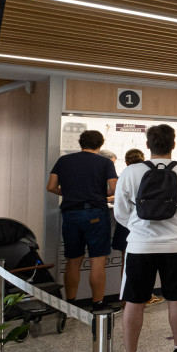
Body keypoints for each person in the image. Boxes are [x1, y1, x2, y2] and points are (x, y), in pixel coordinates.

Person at [112, 124, 177, 352]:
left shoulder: (130, 172)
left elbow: (120, 213)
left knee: (134, 300)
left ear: (148, 146)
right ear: (173, 145)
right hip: (176, 246)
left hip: (139, 246)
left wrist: (139, 228)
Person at [46, 129, 118, 310]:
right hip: (95, 213)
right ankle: (98, 303)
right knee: (97, 260)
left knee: (73, 260)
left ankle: (70, 303)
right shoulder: (105, 162)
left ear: (80, 143)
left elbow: (51, 186)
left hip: (70, 214)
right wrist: (100, 194)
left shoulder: (64, 161)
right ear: (101, 145)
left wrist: (67, 192)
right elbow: (114, 189)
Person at [110, 149, 145, 301]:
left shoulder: (124, 175)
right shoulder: (148, 174)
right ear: (143, 159)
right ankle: (144, 294)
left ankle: (126, 296)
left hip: (127, 224)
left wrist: (127, 223)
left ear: (126, 162)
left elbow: (120, 205)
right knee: (144, 262)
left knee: (126, 261)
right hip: (144, 223)